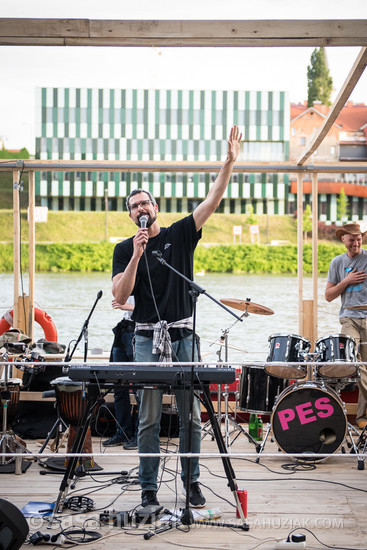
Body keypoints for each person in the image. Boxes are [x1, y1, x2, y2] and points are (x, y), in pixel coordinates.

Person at [111, 125, 242, 509]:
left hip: (184, 337)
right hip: (146, 338)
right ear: (129, 215)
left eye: (145, 203)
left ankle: (192, 483)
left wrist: (229, 163)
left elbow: (212, 200)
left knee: (191, 418)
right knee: (149, 419)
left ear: (156, 208)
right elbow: (120, 295)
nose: (140, 209)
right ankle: (148, 489)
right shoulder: (124, 248)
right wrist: (137, 254)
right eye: (134, 206)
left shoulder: (180, 234)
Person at [325, 223, 367, 429]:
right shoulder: (337, 263)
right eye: (352, 239)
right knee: (356, 364)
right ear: (343, 240)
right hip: (349, 318)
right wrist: (347, 281)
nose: (356, 242)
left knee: (365, 368)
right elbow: (329, 296)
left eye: (359, 238)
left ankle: (362, 417)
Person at [102, 296, 139, 449]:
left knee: (141, 388)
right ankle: (122, 432)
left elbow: (159, 310)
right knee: (118, 385)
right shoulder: (124, 273)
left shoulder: (154, 275)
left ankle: (140, 435)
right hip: (124, 330)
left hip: (142, 331)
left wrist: (128, 306)